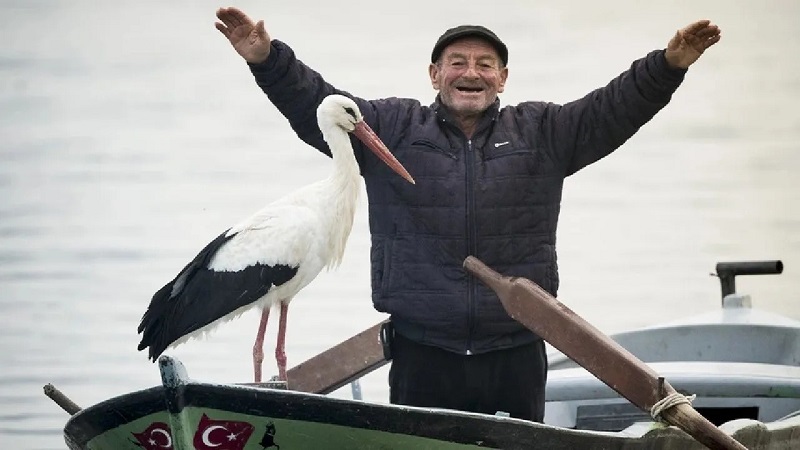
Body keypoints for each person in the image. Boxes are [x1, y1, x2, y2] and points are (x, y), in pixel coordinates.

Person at [214, 7, 720, 422]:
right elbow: (317, 105)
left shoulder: (543, 131)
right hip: (422, 352)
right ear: (434, 74)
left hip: (516, 348)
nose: (471, 73)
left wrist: (669, 64)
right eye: (457, 62)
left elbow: (614, 108)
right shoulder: (391, 126)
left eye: (485, 63)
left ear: (502, 77)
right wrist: (266, 59)